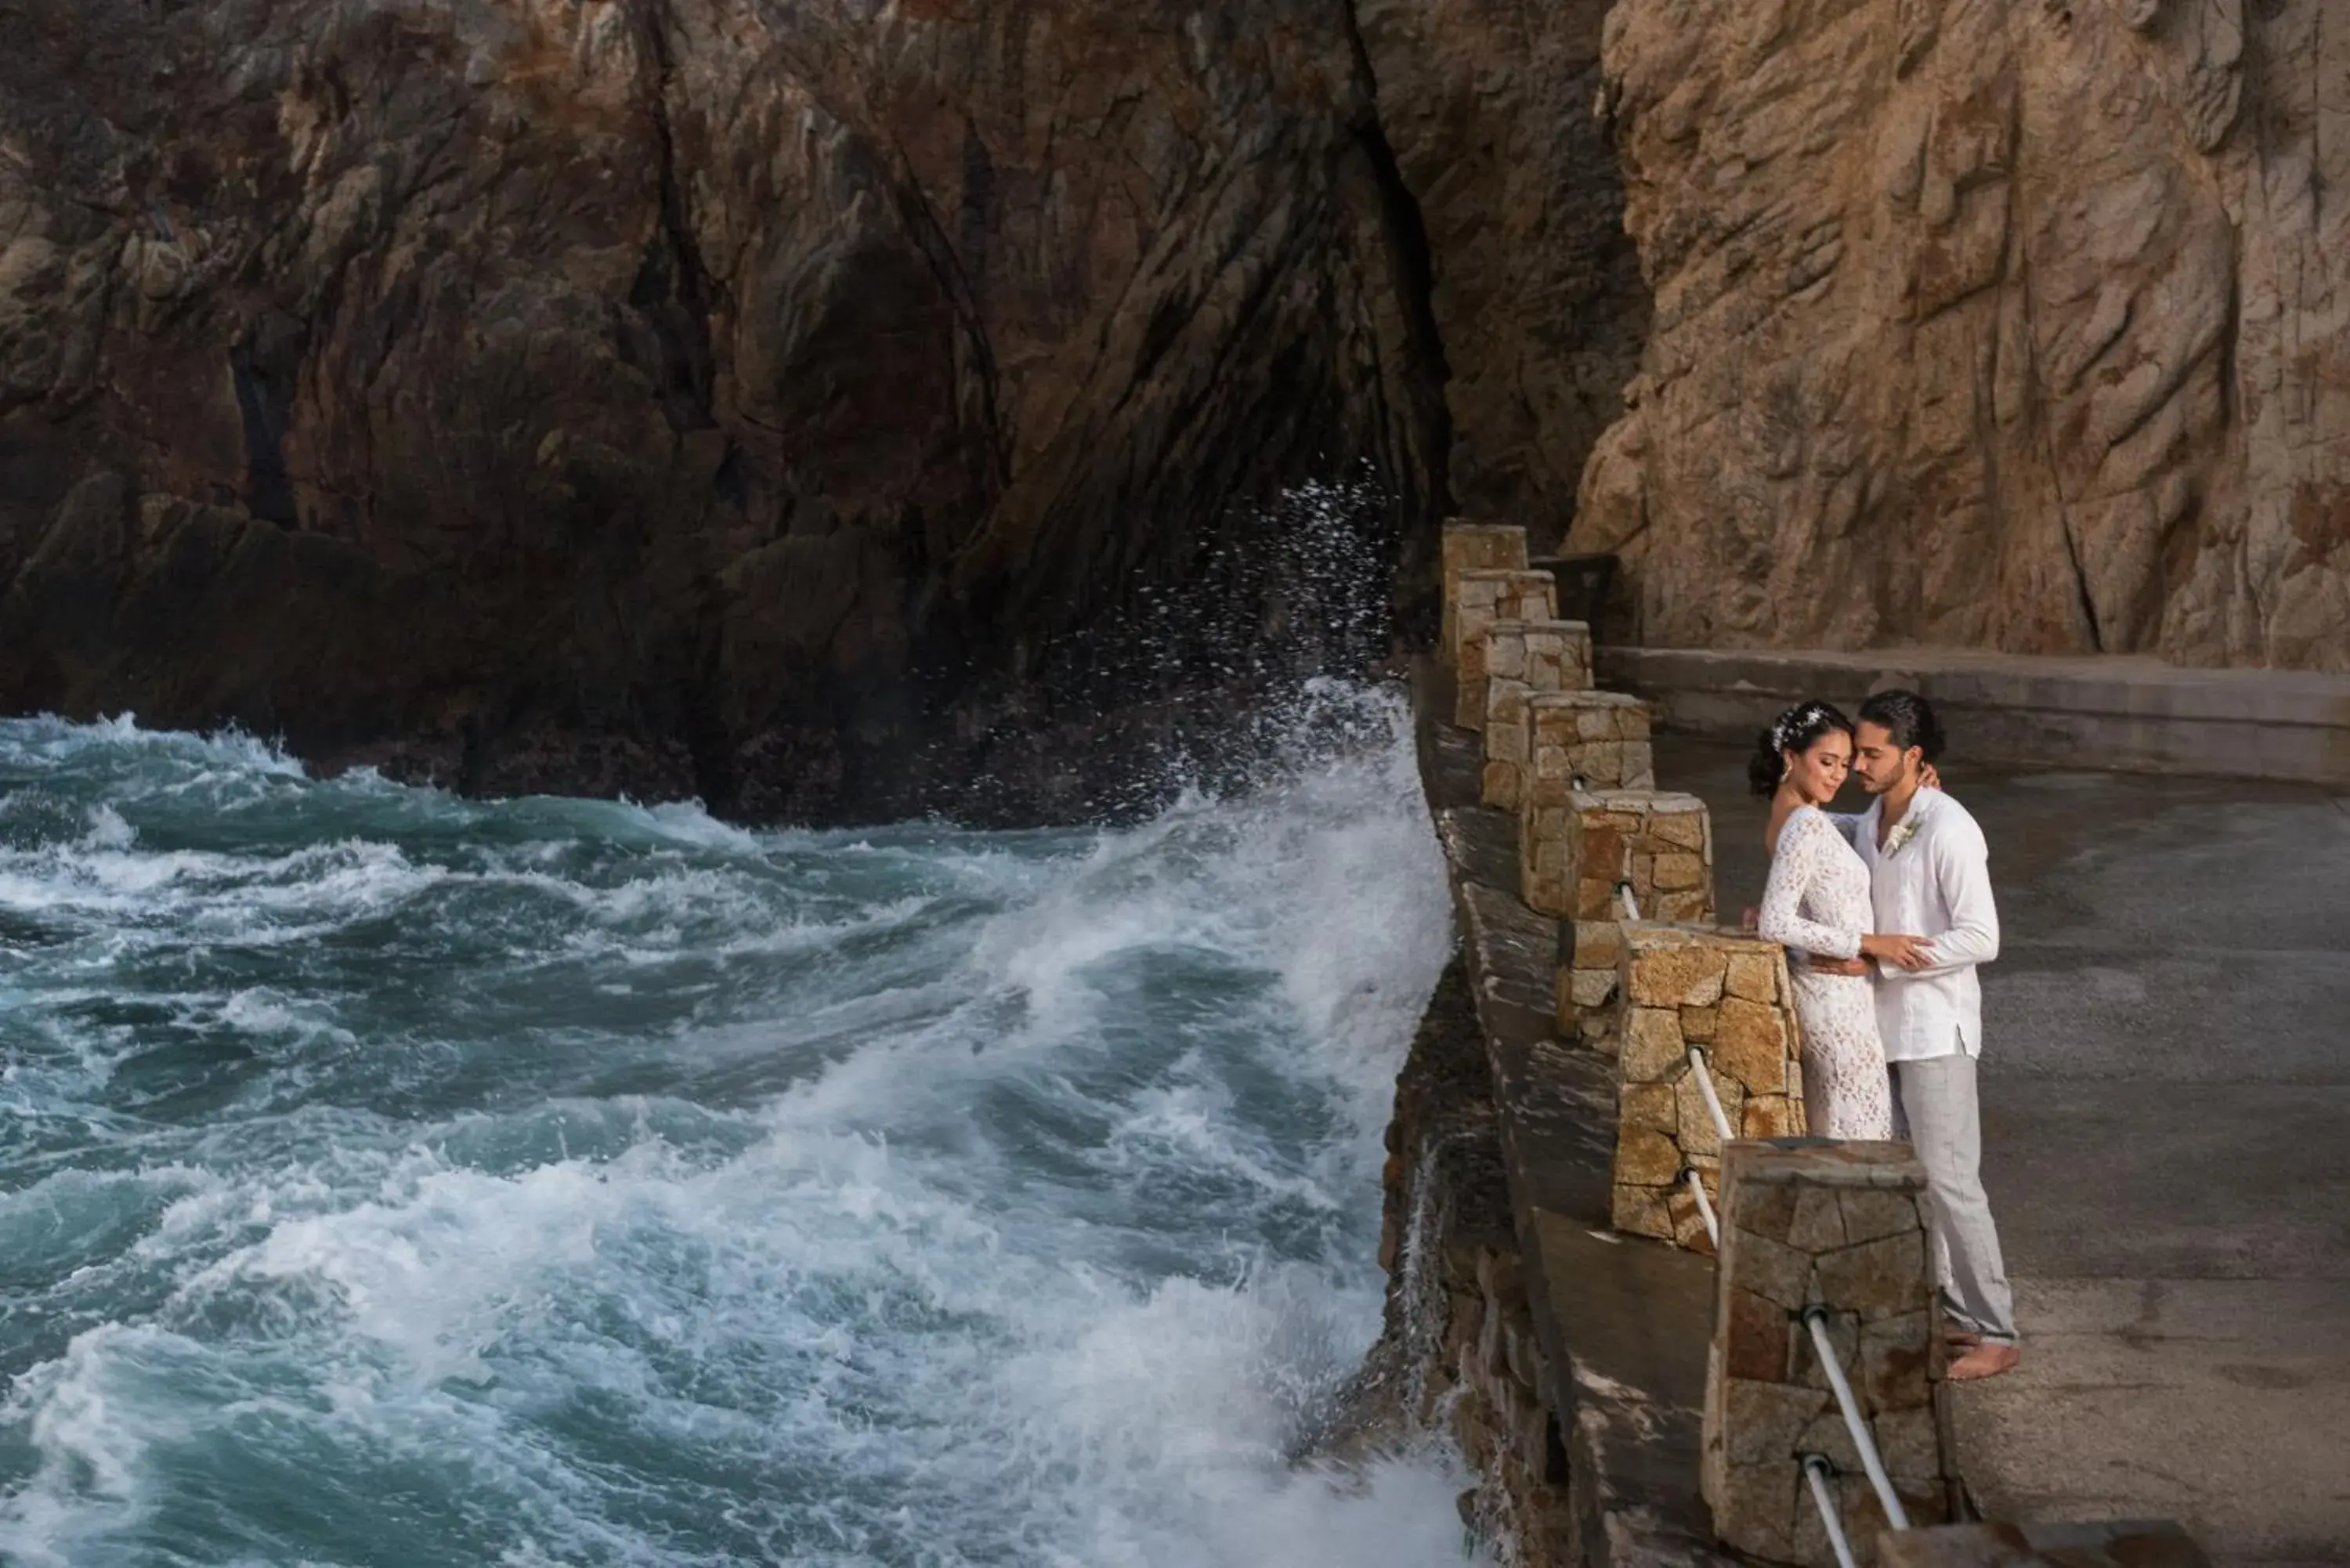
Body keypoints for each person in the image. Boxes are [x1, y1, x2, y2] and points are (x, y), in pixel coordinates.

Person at [1847, 689, 2020, 1382]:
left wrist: (1885, 955)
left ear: (1913, 758)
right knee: (1914, 1180)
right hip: (1882, 1025)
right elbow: (1821, 836)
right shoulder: (1869, 820)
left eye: (1872, 754)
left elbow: (1983, 936)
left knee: (1952, 1180)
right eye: (1856, 752)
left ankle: (1997, 1332)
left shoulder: (1950, 827)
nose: (1860, 764)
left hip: (1936, 1028)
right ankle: (1953, 1312)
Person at [1747, 702, 1928, 1140]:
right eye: (1827, 762)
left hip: (1840, 999)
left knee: (1847, 1137)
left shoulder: (1800, 817)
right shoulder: (1805, 822)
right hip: (1835, 1006)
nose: (1838, 776)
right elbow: (1775, 922)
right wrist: (1869, 943)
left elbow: (1864, 826)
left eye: (1845, 765)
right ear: (1790, 757)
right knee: (1858, 1140)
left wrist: (1915, 793)